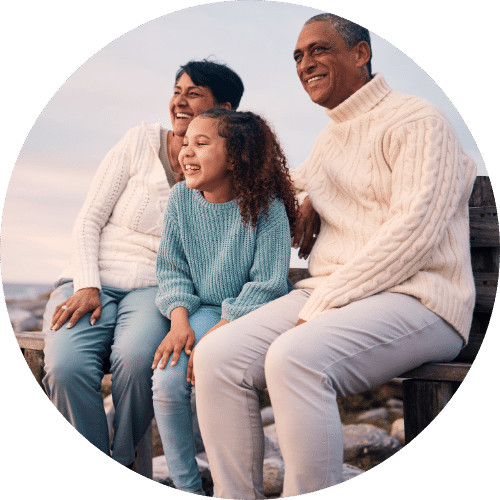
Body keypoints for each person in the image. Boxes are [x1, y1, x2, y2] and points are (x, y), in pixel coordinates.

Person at [193, 13, 477, 499]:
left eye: (319, 49)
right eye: (299, 56)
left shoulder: (417, 120)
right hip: (335, 295)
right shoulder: (330, 138)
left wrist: (325, 303)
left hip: (422, 298)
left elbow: (414, 233)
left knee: (295, 358)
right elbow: (285, 188)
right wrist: (303, 198)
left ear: (361, 54)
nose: (306, 63)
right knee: (216, 355)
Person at [41, 60, 244, 468]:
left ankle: (127, 464)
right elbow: (89, 218)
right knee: (65, 367)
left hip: (156, 289)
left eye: (194, 93)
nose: (180, 101)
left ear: (224, 108)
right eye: (176, 90)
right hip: (90, 281)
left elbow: (276, 190)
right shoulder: (139, 142)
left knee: (138, 363)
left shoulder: (227, 169)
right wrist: (86, 284)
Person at [151, 108, 298, 494]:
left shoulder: (267, 206)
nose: (187, 153)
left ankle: (228, 485)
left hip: (248, 315)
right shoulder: (181, 199)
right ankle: (187, 486)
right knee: (167, 382)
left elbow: (267, 284)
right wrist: (180, 322)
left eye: (201, 144)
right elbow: (171, 269)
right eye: (185, 144)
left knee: (211, 374)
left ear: (236, 156)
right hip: (198, 312)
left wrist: (217, 333)